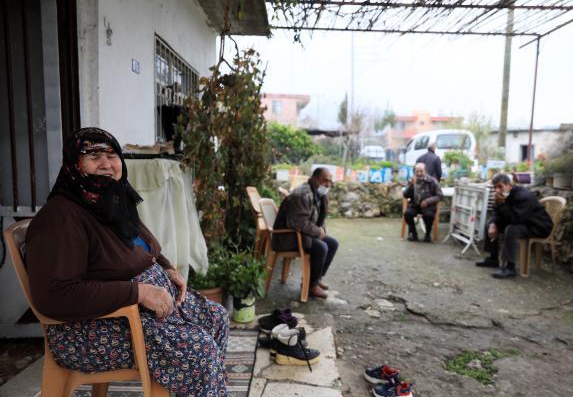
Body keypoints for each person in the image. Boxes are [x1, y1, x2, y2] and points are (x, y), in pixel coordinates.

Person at [25, 128, 229, 396]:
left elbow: (139, 244)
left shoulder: (109, 202)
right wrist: (139, 292)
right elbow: (55, 295)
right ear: (74, 163)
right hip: (89, 331)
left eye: (112, 155)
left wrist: (165, 267)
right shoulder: (61, 218)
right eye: (93, 155)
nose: (106, 164)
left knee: (216, 317)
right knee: (198, 349)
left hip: (135, 314)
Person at [272, 167, 339, 299]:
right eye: (325, 180)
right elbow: (297, 222)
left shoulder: (317, 194)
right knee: (321, 247)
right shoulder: (302, 195)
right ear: (314, 179)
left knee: (332, 243)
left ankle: (317, 278)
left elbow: (318, 219)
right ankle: (310, 286)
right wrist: (317, 232)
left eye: (330, 182)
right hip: (288, 237)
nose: (328, 184)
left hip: (301, 234)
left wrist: (321, 230)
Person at [476, 173, 553, 279]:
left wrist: (502, 203)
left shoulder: (523, 196)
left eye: (500, 186)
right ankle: (493, 259)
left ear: (509, 185)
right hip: (523, 222)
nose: (497, 190)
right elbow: (496, 212)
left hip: (538, 227)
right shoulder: (505, 195)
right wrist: (493, 223)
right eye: (495, 187)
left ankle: (510, 268)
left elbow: (515, 219)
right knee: (490, 224)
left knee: (511, 230)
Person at [403, 163, 443, 242]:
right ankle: (413, 233)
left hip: (428, 206)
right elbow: (405, 195)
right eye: (417, 171)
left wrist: (427, 201)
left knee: (429, 215)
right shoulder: (412, 180)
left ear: (425, 171)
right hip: (415, 205)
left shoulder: (432, 181)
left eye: (421, 171)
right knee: (407, 214)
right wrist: (410, 186)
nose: (419, 173)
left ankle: (427, 234)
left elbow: (439, 195)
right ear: (414, 172)